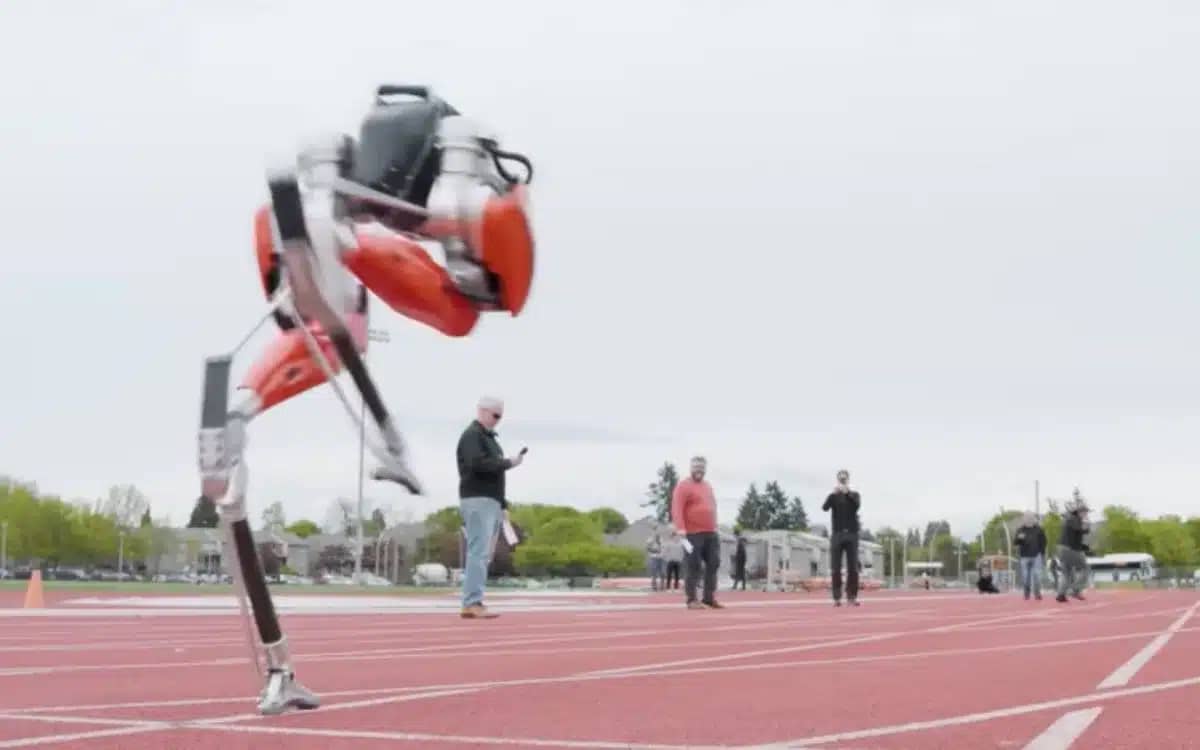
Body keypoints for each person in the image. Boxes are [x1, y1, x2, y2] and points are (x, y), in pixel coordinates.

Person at [195, 84, 536, 714]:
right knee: (393, 320)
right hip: (329, 224)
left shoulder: (402, 185)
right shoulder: (455, 192)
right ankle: (244, 404)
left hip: (316, 224)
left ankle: (242, 406)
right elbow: (483, 285)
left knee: (340, 327)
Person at [456, 396, 525, 619]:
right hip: (477, 499)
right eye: (495, 415)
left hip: (490, 501)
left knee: (483, 553)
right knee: (478, 551)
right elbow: (478, 464)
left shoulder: (489, 439)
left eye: (500, 416)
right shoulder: (472, 436)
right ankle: (472, 602)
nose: (497, 420)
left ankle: (474, 600)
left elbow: (493, 473)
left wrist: (502, 505)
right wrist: (507, 463)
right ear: (482, 411)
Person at [671, 456, 723, 609]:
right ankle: (691, 599)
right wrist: (680, 528)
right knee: (693, 566)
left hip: (711, 532)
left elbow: (712, 506)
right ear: (690, 468)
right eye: (696, 467)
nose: (699, 470)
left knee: (714, 563)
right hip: (692, 534)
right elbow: (677, 507)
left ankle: (708, 597)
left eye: (701, 467)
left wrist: (715, 524)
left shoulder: (707, 486)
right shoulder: (683, 486)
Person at [822, 469, 861, 607]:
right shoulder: (833, 496)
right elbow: (825, 507)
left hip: (852, 534)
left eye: (845, 479)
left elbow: (857, 506)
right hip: (837, 534)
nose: (843, 481)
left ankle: (852, 596)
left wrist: (847, 493)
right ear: (838, 480)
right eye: (841, 479)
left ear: (848, 480)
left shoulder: (854, 495)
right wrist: (833, 494)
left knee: (853, 567)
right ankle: (837, 597)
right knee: (836, 567)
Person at [1056, 490, 1091, 603]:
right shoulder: (1074, 519)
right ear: (1079, 511)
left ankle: (1061, 594)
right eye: (1085, 512)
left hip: (1063, 549)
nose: (1086, 514)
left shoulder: (1071, 519)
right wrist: (1085, 525)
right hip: (1069, 549)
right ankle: (1075, 589)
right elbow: (1080, 530)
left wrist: (1083, 546)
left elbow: (1076, 535)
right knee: (1085, 568)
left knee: (1067, 572)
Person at [1014, 512, 1048, 600]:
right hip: (1024, 556)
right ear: (1024, 520)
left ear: (1034, 519)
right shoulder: (1020, 530)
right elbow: (1015, 543)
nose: (1029, 520)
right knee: (1026, 576)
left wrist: (1042, 554)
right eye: (1027, 518)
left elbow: (1044, 542)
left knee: (1037, 575)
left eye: (1031, 518)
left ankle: (1037, 593)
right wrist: (1019, 539)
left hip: (1036, 555)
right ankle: (1026, 593)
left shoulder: (1039, 529)